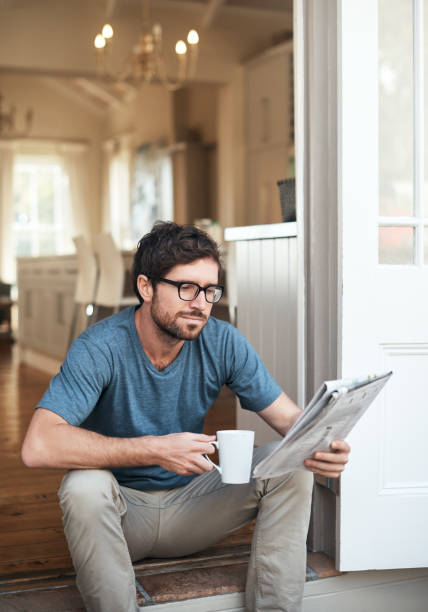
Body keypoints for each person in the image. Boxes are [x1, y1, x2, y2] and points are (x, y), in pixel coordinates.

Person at [21, 222, 350, 612]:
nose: (201, 303)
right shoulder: (99, 346)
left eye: (210, 290)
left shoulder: (223, 340)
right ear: (146, 287)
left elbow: (290, 420)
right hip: (122, 519)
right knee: (82, 486)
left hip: (194, 507)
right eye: (187, 288)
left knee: (292, 466)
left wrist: (322, 442)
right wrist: (155, 450)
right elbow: (38, 445)